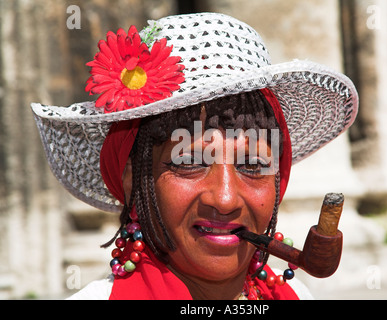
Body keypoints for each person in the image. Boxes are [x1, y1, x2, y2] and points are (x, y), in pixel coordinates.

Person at [31, 12, 358, 300]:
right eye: (189, 163)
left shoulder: (297, 296)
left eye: (253, 165)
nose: (226, 198)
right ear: (133, 181)